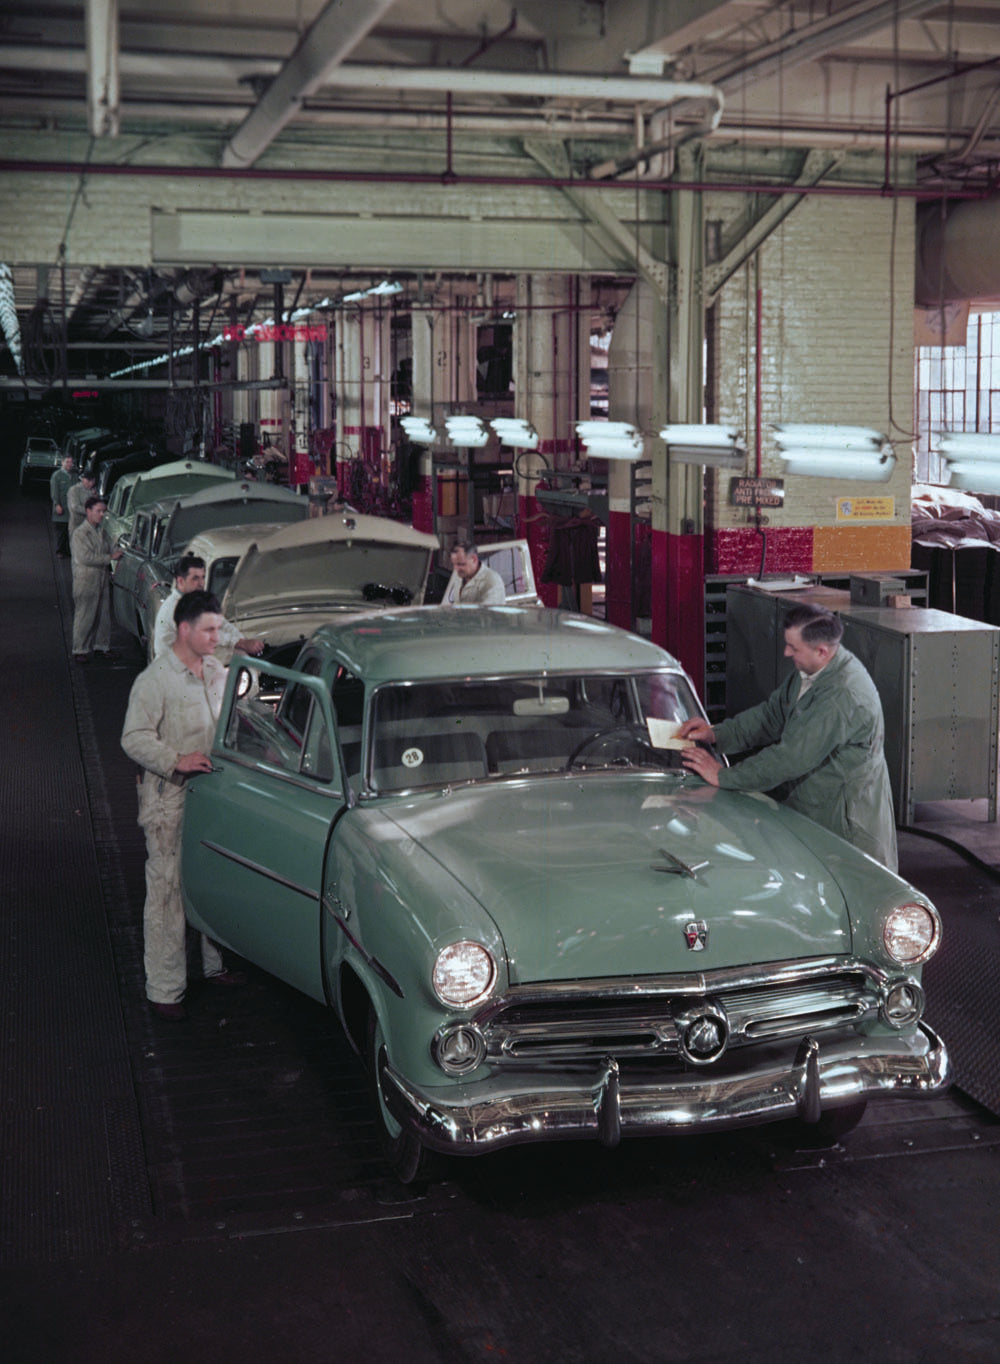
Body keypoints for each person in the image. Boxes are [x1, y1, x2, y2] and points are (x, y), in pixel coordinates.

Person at [678, 601, 898, 870]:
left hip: (845, 825)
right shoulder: (811, 671)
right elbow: (771, 716)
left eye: (793, 648)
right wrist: (716, 734)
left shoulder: (843, 696)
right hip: (813, 808)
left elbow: (790, 757)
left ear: (822, 651)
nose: (785, 652)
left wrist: (723, 776)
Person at [121, 590, 245, 1019]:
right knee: (168, 891)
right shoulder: (156, 681)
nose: (217, 636)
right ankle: (165, 988)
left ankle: (214, 966)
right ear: (185, 629)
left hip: (209, 795)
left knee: (210, 878)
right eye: (210, 629)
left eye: (219, 628)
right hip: (168, 798)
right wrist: (176, 760)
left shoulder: (213, 671)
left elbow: (237, 710)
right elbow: (133, 738)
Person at [152, 553, 264, 662]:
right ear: (181, 581)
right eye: (195, 578)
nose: (201, 583)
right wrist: (241, 644)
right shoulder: (174, 609)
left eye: (203, 577)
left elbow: (222, 623)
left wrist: (242, 640)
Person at [70, 495, 122, 663]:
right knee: (85, 615)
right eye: (98, 511)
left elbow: (110, 546)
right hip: (86, 579)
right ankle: (80, 649)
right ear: (88, 511)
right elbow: (85, 557)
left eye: (103, 511)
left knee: (103, 615)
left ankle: (102, 646)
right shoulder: (80, 534)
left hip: (101, 578)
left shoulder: (102, 531)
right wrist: (110, 557)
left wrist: (119, 550)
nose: (101, 514)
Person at [448, 540, 505, 605]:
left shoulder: (492, 581)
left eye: (461, 564)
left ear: (474, 559)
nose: (456, 569)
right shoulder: (460, 576)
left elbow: (486, 613)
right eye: (454, 564)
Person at [50, 454, 77, 557]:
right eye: (67, 462)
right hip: (62, 508)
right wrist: (57, 504)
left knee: (71, 531)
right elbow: (54, 492)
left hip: (72, 509)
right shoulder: (57, 476)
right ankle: (60, 551)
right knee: (62, 531)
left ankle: (68, 551)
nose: (70, 464)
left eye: (71, 462)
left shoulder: (74, 476)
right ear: (62, 462)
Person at [67, 470, 97, 538]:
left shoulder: (93, 491)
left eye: (93, 482)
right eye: (90, 481)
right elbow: (75, 507)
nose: (91, 484)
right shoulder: (74, 490)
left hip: (89, 525)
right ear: (84, 480)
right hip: (76, 524)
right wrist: (91, 513)